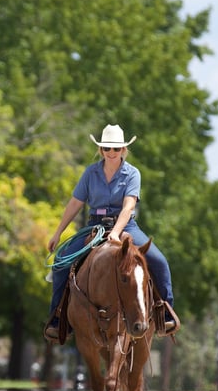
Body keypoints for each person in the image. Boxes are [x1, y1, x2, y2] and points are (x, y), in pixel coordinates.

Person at [44, 123, 175, 341]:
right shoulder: (90, 172)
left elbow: (128, 206)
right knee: (60, 261)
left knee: (159, 261)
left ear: (123, 150)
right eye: (107, 148)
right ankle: (57, 319)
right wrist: (57, 233)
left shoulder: (132, 174)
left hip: (126, 226)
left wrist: (115, 232)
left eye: (116, 149)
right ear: (101, 150)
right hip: (94, 225)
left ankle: (166, 312)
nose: (111, 153)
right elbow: (75, 203)